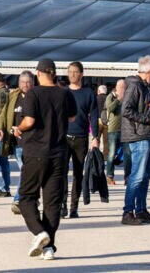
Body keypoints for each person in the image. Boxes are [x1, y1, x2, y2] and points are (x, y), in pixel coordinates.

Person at [14, 59, 77, 261]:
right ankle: (48, 248)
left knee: (26, 197)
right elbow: (72, 118)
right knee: (52, 202)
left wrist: (18, 128)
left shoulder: (34, 93)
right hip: (59, 153)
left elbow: (29, 120)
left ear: (38, 74)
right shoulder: (65, 93)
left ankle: (39, 232)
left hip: (35, 152)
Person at [120, 55, 150, 226]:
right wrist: (148, 120)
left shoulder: (146, 87)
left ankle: (141, 210)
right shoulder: (135, 86)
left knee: (145, 176)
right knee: (137, 176)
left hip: (149, 135)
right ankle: (128, 211)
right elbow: (126, 109)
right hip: (140, 136)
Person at [62, 62, 99, 219]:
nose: (72, 74)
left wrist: (95, 137)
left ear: (82, 74)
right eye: (70, 71)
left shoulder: (88, 93)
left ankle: (73, 207)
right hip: (64, 138)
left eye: (75, 72)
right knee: (61, 173)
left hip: (81, 139)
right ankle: (62, 205)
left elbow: (94, 116)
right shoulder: (63, 92)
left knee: (78, 174)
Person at [9, 71, 35, 213]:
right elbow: (6, 116)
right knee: (25, 172)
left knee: (25, 172)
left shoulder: (36, 97)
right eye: (23, 82)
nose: (25, 84)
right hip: (17, 143)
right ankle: (29, 198)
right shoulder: (13, 98)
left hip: (32, 142)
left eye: (28, 82)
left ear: (33, 82)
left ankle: (19, 199)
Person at [104, 80, 124, 186]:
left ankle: (127, 176)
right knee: (111, 154)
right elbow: (110, 108)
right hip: (113, 130)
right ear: (116, 87)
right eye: (120, 86)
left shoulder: (126, 97)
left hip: (125, 130)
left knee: (127, 154)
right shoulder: (110, 96)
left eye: (124, 87)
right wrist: (118, 99)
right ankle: (109, 176)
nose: (122, 88)